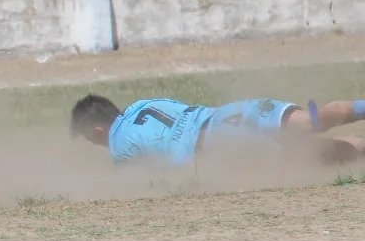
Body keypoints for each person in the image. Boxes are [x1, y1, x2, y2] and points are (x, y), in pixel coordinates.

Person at [70, 94, 365, 167]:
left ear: (97, 130)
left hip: (220, 142)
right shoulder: (144, 104)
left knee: (310, 155)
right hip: (233, 112)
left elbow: (141, 184)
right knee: (314, 120)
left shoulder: (120, 144)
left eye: (87, 137)